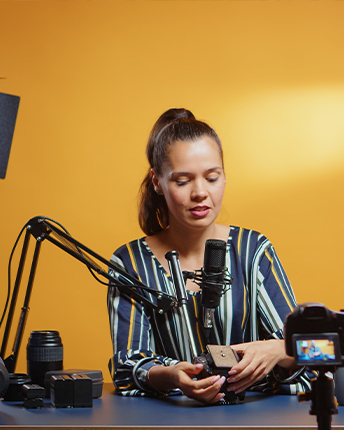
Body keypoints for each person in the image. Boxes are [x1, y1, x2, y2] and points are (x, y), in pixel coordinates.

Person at [107, 108, 310, 404]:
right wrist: (171, 373)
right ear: (157, 181)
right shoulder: (129, 263)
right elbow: (127, 365)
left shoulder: (253, 251)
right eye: (182, 181)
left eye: (212, 178)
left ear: (224, 177)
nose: (200, 192)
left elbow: (305, 353)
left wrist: (279, 350)